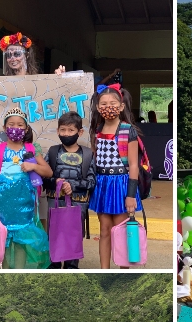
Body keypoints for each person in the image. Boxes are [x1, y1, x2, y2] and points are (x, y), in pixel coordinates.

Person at [0, 107, 53, 268]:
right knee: (4, 240)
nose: (16, 128)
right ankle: (6, 274)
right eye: (11, 124)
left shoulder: (31, 149)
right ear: (4, 128)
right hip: (2, 208)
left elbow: (48, 171)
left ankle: (18, 276)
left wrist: (33, 167)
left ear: (26, 128)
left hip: (24, 208)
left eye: (20, 125)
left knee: (22, 241)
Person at [86, 84, 142, 269]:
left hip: (121, 184)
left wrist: (131, 195)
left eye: (112, 103)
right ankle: (104, 269)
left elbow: (133, 165)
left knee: (120, 231)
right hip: (102, 184)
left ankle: (123, 270)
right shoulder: (96, 130)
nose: (108, 107)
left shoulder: (128, 130)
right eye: (103, 103)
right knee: (104, 230)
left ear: (121, 106)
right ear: (98, 107)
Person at [41, 111, 96, 268]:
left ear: (80, 132)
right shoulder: (52, 152)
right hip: (54, 202)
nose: (66, 134)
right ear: (58, 131)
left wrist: (73, 185)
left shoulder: (87, 154)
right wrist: (55, 182)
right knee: (54, 236)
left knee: (73, 238)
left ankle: (72, 267)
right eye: (63, 130)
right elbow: (44, 178)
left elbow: (92, 182)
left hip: (79, 204)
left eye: (71, 130)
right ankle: (54, 266)